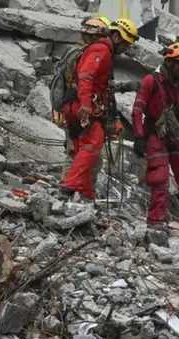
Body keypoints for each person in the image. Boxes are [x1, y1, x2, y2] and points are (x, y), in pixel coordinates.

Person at [130, 42, 179, 236]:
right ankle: (156, 220)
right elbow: (137, 110)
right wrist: (139, 135)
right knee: (160, 178)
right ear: (169, 62)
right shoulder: (152, 81)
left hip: (174, 134)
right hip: (155, 133)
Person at [58, 18, 139, 201]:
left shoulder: (101, 51)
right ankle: (67, 188)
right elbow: (86, 77)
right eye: (125, 44)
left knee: (86, 152)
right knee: (92, 144)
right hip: (83, 107)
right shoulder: (101, 50)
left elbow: (101, 85)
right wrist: (86, 104)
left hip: (79, 106)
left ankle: (87, 195)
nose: (125, 49)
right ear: (116, 36)